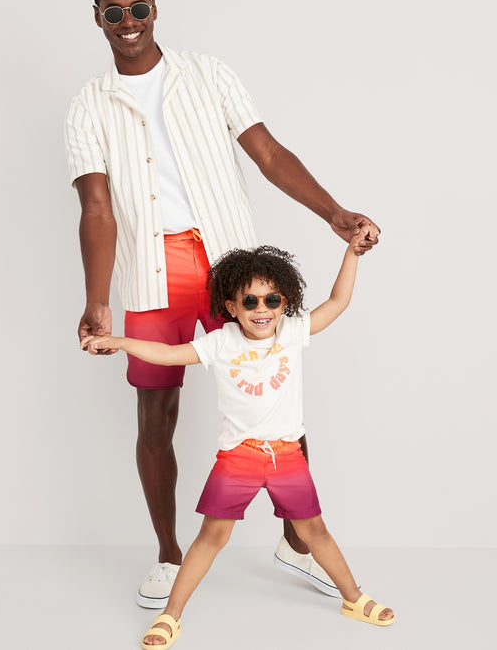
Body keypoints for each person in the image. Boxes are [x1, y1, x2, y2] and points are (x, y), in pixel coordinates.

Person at [65, 0, 381, 609]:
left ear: (155, 8)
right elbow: (97, 209)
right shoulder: (88, 106)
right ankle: (167, 554)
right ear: (97, 19)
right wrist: (97, 300)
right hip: (152, 271)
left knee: (279, 405)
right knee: (156, 414)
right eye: (113, 13)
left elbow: (269, 154)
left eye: (137, 8)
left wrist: (333, 213)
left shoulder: (208, 74)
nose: (128, 23)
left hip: (229, 270)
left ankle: (297, 542)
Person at [82, 231, 394, 648]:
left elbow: (337, 302)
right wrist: (117, 342)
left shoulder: (291, 332)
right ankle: (170, 616)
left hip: (287, 457)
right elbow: (168, 354)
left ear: (285, 303)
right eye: (250, 301)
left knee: (316, 532)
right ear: (231, 307)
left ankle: (353, 598)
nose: (262, 310)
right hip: (238, 459)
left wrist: (351, 254)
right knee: (212, 537)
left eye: (272, 300)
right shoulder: (221, 342)